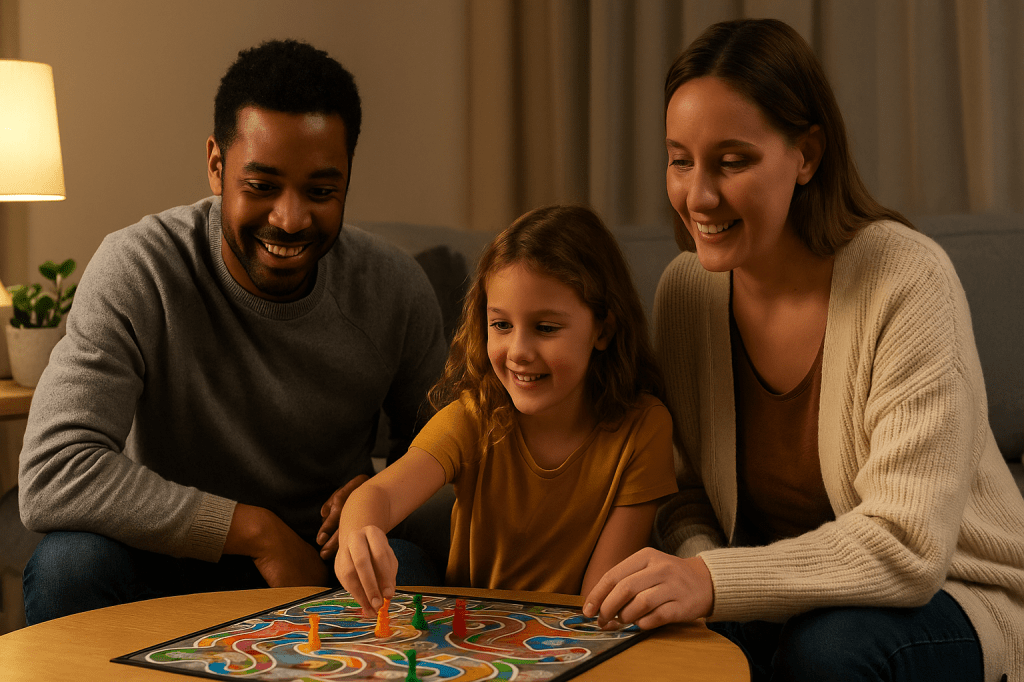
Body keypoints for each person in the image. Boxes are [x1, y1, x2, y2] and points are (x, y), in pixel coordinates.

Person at [582, 18, 1024, 682]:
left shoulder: (906, 280)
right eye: (681, 160)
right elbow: (684, 492)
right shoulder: (687, 293)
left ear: (808, 155)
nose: (698, 196)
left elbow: (908, 544)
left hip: (955, 592)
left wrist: (714, 579)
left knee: (831, 650)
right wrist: (699, 584)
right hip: (781, 592)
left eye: (732, 161)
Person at [18, 39, 449, 624]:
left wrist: (383, 499)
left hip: (328, 564)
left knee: (412, 568)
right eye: (262, 185)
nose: (290, 219)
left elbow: (456, 460)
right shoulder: (139, 267)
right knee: (69, 565)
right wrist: (256, 533)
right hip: (167, 552)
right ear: (217, 166)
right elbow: (53, 473)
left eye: (321, 191)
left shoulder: (395, 289)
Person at [334, 205, 678, 615]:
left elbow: (598, 602)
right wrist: (357, 533)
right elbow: (378, 495)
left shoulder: (644, 428)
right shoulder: (473, 416)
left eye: (546, 328)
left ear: (602, 329)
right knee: (398, 555)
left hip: (568, 633)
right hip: (469, 630)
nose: (518, 353)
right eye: (501, 325)